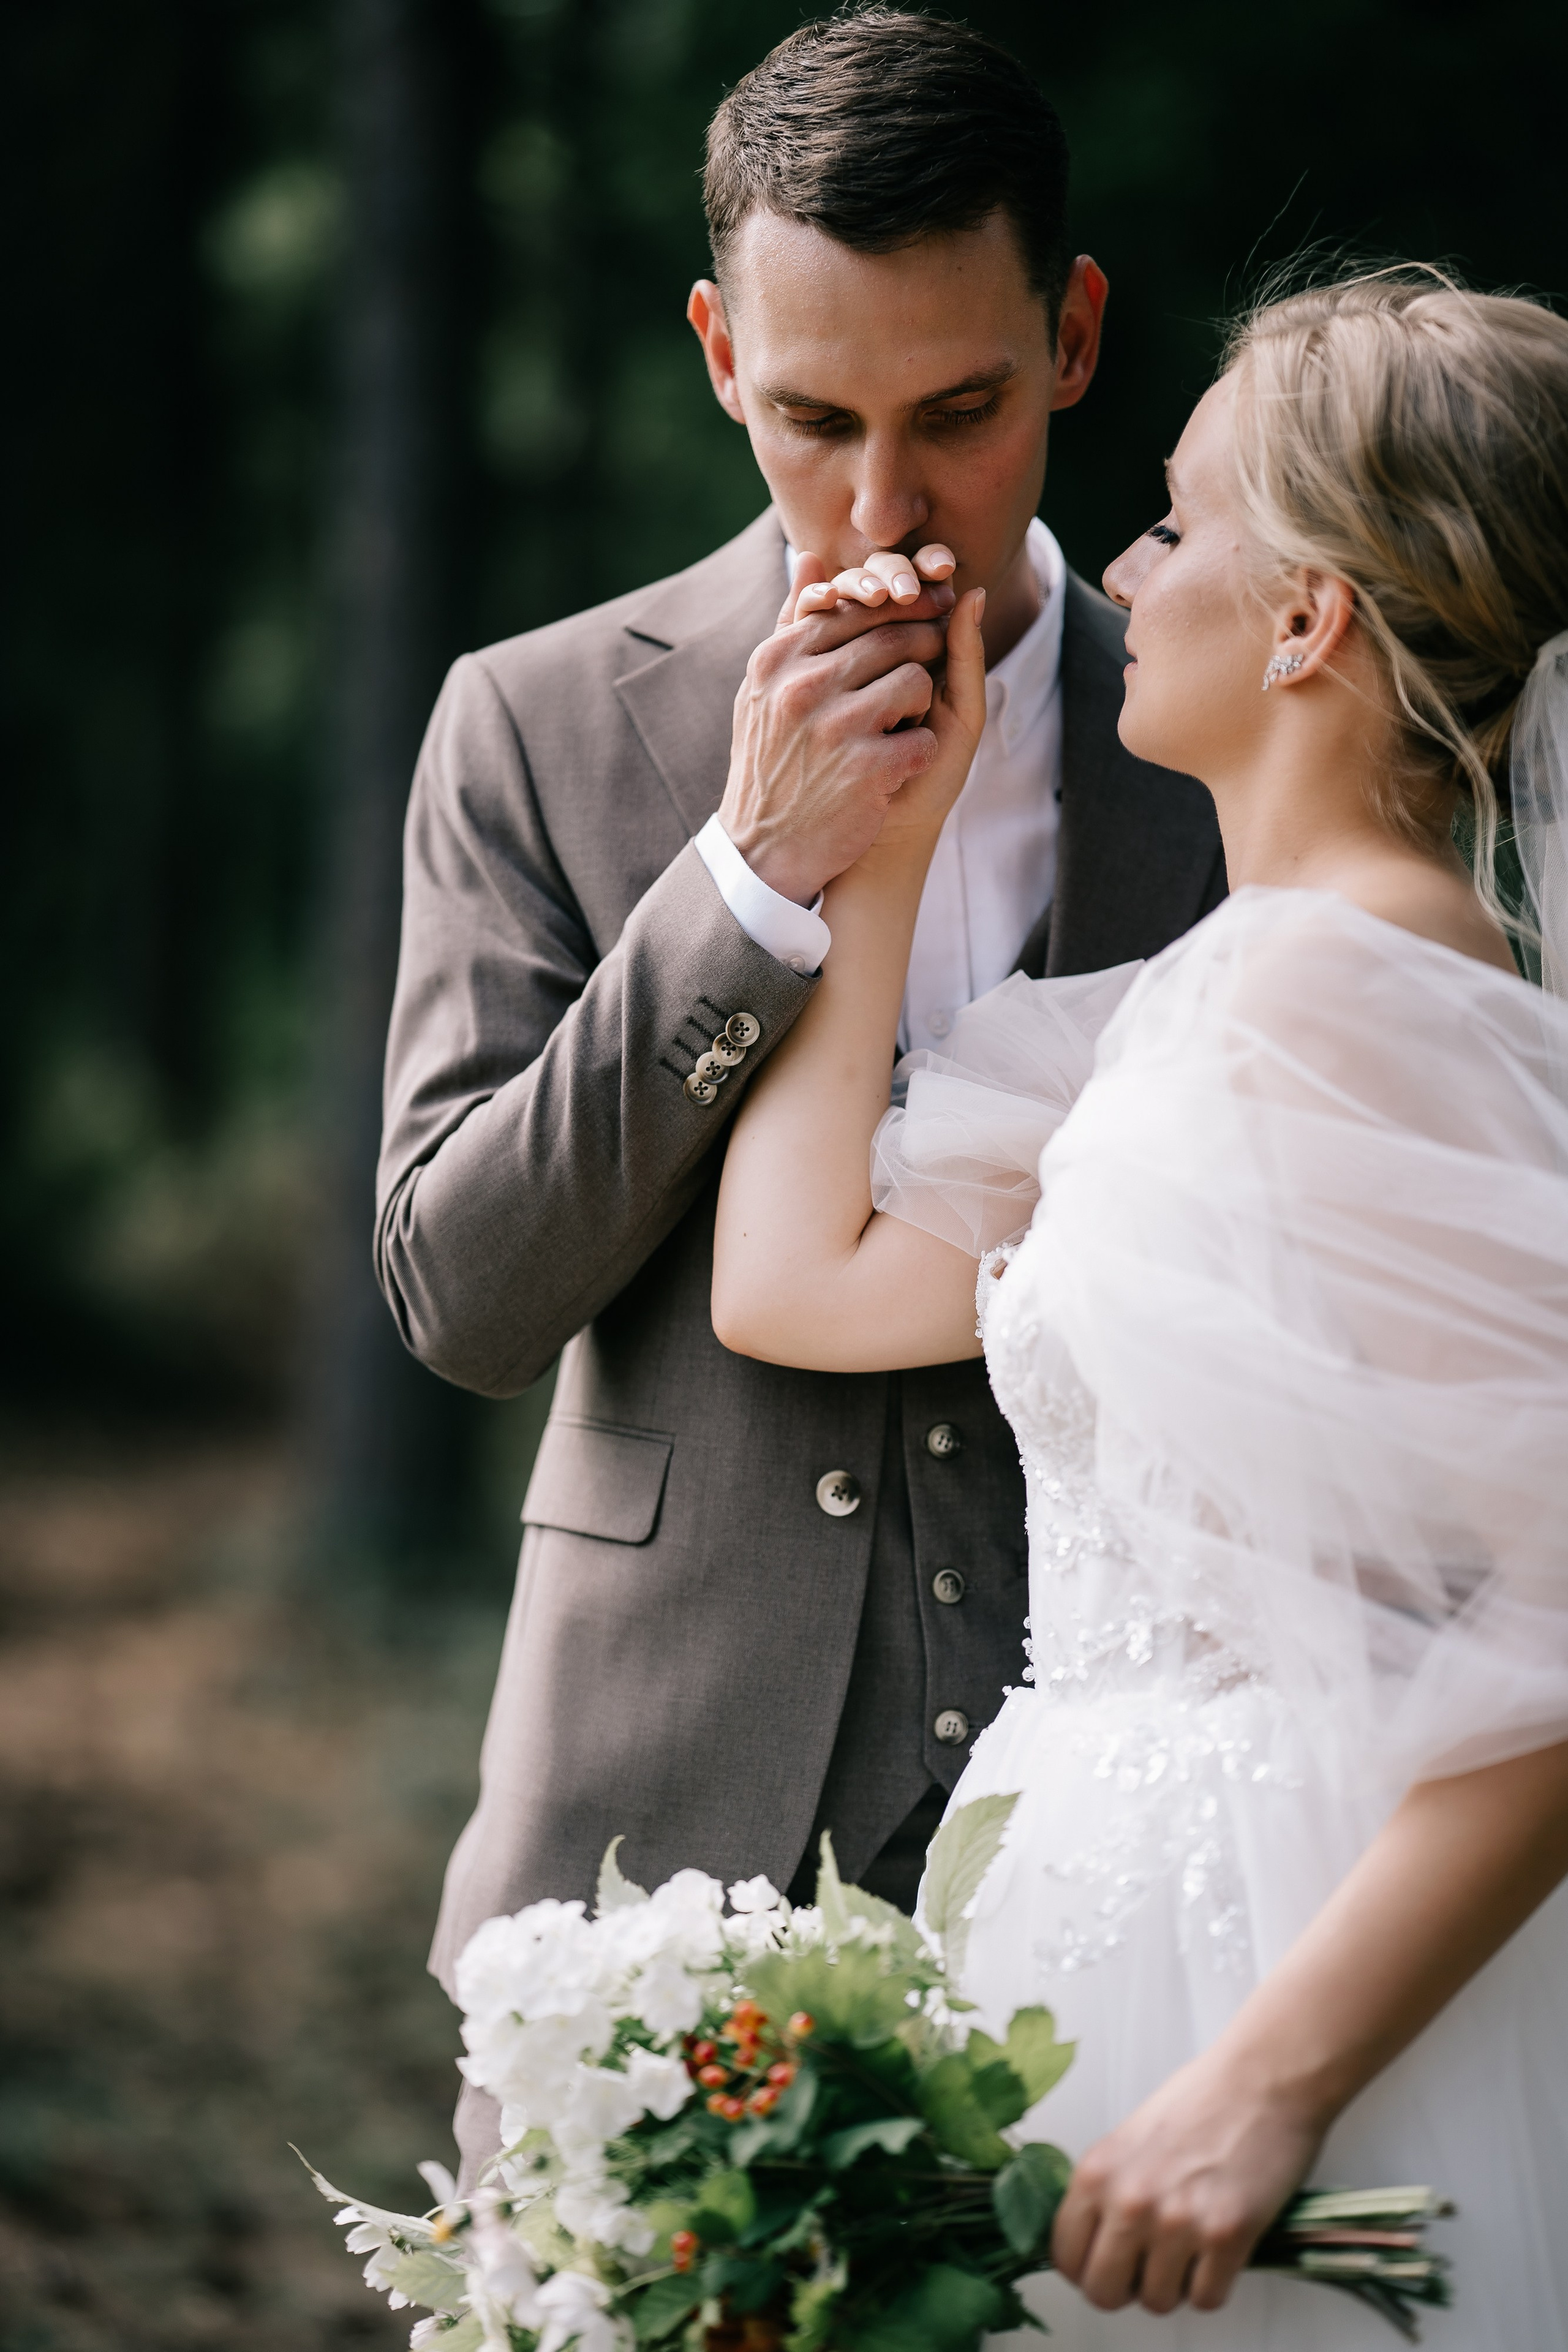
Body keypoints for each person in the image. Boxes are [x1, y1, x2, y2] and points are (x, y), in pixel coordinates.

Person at [375, 10, 1223, 2184]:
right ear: (714, 353)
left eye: (956, 413)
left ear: (1075, 336)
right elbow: (462, 1299)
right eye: (812, 418)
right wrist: (742, 882)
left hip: (1118, 1886)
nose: (884, 509)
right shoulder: (537, 728)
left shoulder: (1238, 742)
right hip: (651, 1846)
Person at [709, 268, 1568, 2346]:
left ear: (1306, 625)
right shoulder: (1230, 999)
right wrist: (880, 847)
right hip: (1108, 1940)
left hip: (1273, 1967)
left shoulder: (1345, 1016)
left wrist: (1268, 2088)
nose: (1127, 566)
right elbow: (793, 1285)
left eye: (1181, 523)